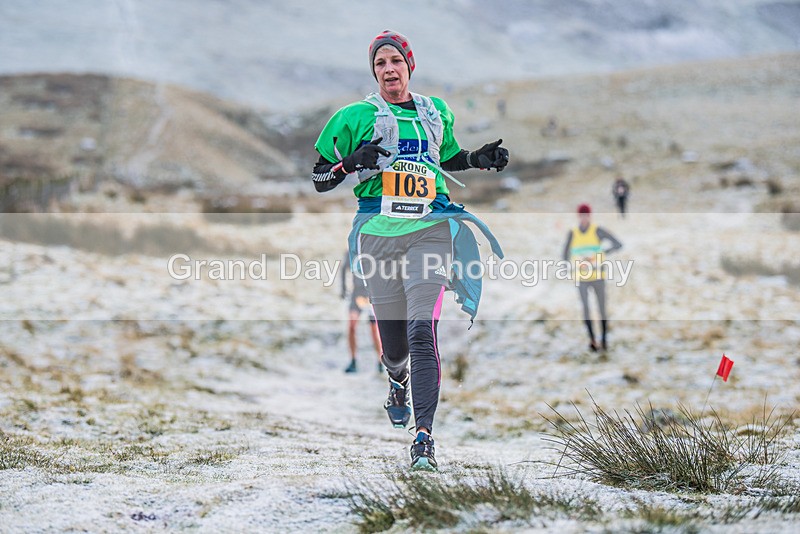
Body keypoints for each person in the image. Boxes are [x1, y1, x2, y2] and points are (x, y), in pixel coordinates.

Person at [311, 30, 508, 470]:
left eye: (395, 61)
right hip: (379, 235)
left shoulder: (435, 112)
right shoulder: (353, 117)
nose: (389, 69)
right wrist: (350, 162)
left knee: (424, 329)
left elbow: (446, 157)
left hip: (431, 229)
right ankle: (396, 379)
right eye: (380, 64)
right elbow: (319, 178)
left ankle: (424, 439)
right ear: (374, 72)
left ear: (409, 65)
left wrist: (478, 159)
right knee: (396, 346)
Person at [562, 204, 622, 352]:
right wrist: (568, 267)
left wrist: (603, 253)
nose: (584, 218)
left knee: (601, 309)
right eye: (581, 215)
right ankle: (592, 340)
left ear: (590, 216)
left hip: (598, 277)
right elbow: (565, 254)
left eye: (586, 215)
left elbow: (618, 244)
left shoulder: (597, 231)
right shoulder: (573, 233)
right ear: (578, 216)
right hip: (581, 278)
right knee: (586, 309)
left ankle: (604, 341)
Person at [340, 251, 383, 374]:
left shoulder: (373, 249)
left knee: (374, 329)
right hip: (357, 294)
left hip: (371, 294)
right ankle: (353, 360)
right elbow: (343, 268)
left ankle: (380, 361)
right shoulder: (351, 251)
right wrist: (343, 288)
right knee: (352, 326)